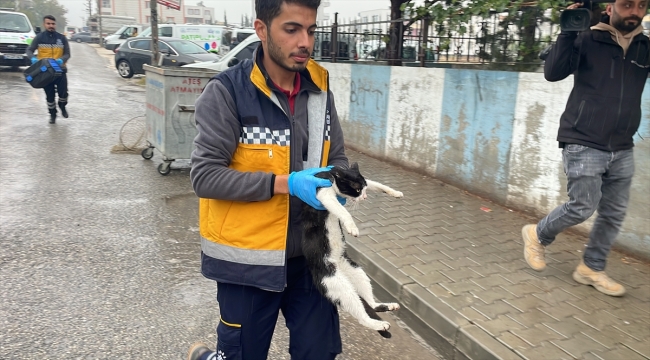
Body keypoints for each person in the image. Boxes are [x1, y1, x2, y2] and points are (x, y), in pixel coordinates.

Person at [187, 0, 348, 359]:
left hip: (310, 258)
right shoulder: (227, 93)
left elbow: (335, 158)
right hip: (247, 266)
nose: (304, 41)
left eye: (311, 30)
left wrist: (339, 186)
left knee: (319, 353)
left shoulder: (320, 93)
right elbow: (205, 176)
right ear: (262, 30)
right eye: (292, 29)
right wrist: (285, 183)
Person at [522, 0, 649, 297]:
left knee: (614, 213)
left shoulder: (645, 46)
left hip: (623, 144)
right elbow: (553, 72)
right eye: (627, 4)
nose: (634, 11)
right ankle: (537, 234)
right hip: (583, 138)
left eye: (641, 5)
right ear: (609, 8)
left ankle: (591, 267)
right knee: (582, 206)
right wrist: (567, 32)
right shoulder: (587, 38)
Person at [26, 15, 71, 124]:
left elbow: (67, 54)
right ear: (44, 24)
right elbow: (29, 49)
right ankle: (53, 114)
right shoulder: (39, 38)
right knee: (50, 96)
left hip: (60, 70)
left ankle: (62, 106)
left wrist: (61, 60)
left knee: (63, 93)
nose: (51, 26)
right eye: (48, 23)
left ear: (55, 24)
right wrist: (32, 58)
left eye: (53, 24)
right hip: (45, 72)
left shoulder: (62, 38)